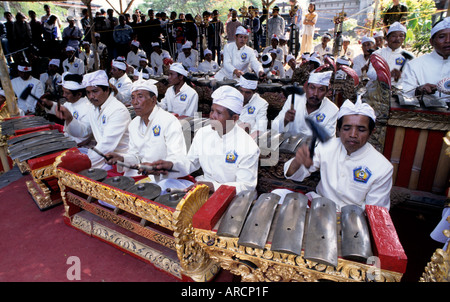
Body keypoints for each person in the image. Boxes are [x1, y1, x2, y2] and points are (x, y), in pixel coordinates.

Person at [284, 97, 393, 211]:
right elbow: (295, 175)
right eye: (347, 128)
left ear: (371, 132)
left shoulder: (383, 168)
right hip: (319, 207)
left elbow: (375, 212)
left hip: (352, 220)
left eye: (361, 129)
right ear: (339, 129)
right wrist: (297, 161)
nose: (353, 134)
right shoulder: (327, 146)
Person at [148, 85, 260, 194]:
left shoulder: (248, 147)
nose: (212, 116)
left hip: (227, 195)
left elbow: (246, 186)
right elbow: (190, 162)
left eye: (219, 113)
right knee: (162, 184)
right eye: (212, 110)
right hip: (200, 187)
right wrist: (170, 166)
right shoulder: (203, 133)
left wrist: (213, 187)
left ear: (234, 118)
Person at [105, 77, 186, 181]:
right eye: (133, 97)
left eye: (140, 97)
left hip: (162, 177)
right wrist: (122, 159)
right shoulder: (133, 124)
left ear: (153, 99)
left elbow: (176, 158)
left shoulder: (169, 121)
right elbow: (135, 156)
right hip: (139, 173)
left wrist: (156, 168)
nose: (135, 102)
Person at [63, 70, 131, 169]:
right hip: (101, 154)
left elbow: (106, 145)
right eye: (88, 92)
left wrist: (84, 164)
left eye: (95, 91)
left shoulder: (117, 110)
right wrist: (69, 118)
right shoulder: (93, 107)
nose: (91, 96)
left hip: (118, 159)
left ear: (106, 90)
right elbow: (84, 132)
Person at [272, 71, 338, 138]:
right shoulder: (293, 100)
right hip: (288, 146)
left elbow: (328, 140)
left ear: (326, 93)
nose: (315, 93)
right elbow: (274, 128)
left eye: (321, 89)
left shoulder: (332, 110)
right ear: (306, 88)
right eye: (312, 87)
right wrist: (285, 120)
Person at [402, 17, 450, 99]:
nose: (448, 40)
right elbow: (405, 94)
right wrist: (418, 90)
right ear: (431, 42)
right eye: (442, 37)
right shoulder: (415, 65)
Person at [41, 73, 93, 147]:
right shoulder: (69, 103)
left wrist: (70, 119)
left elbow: (84, 133)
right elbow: (61, 109)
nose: (63, 95)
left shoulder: (88, 108)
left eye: (67, 93)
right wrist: (50, 105)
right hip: (67, 139)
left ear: (79, 94)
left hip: (81, 145)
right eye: (63, 92)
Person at [367, 22, 414, 88]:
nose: (397, 39)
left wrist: (401, 76)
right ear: (387, 38)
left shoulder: (410, 56)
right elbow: (370, 73)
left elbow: (411, 78)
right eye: (394, 36)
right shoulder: (377, 54)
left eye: (401, 36)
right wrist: (386, 75)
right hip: (377, 89)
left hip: (398, 91)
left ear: (404, 38)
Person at [236, 72, 269, 138]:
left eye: (247, 92)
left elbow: (260, 128)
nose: (243, 95)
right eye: (241, 91)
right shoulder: (232, 98)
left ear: (254, 91)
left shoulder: (261, 104)